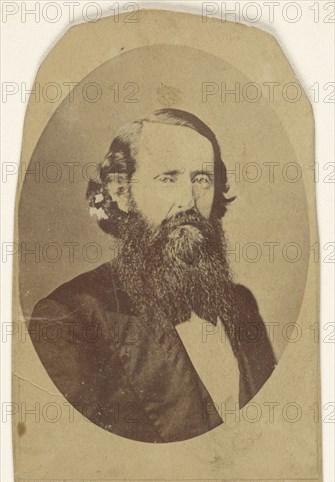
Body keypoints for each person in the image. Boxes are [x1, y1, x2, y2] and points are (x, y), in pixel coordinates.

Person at [28, 108, 276, 443]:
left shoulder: (241, 304)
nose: (187, 200)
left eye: (201, 179)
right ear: (120, 192)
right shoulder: (69, 319)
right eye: (167, 178)